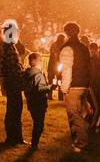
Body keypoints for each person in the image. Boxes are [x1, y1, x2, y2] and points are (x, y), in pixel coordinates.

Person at [58, 22, 94, 152]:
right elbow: (89, 67)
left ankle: (81, 142)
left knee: (74, 114)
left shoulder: (67, 48)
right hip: (84, 84)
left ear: (67, 32)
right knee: (79, 112)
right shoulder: (84, 47)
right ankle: (78, 139)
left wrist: (64, 87)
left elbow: (67, 69)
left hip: (73, 85)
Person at [0, 35, 25, 144]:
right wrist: (3, 80)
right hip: (11, 80)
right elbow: (2, 65)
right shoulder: (6, 47)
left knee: (16, 109)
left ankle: (17, 137)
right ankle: (12, 137)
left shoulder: (11, 46)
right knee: (13, 109)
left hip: (14, 80)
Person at [21, 52, 51, 148]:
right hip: (39, 102)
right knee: (39, 124)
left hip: (31, 101)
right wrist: (50, 87)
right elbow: (39, 89)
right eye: (40, 60)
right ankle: (34, 144)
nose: (41, 62)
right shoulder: (37, 74)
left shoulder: (27, 73)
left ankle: (34, 143)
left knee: (36, 122)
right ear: (35, 61)